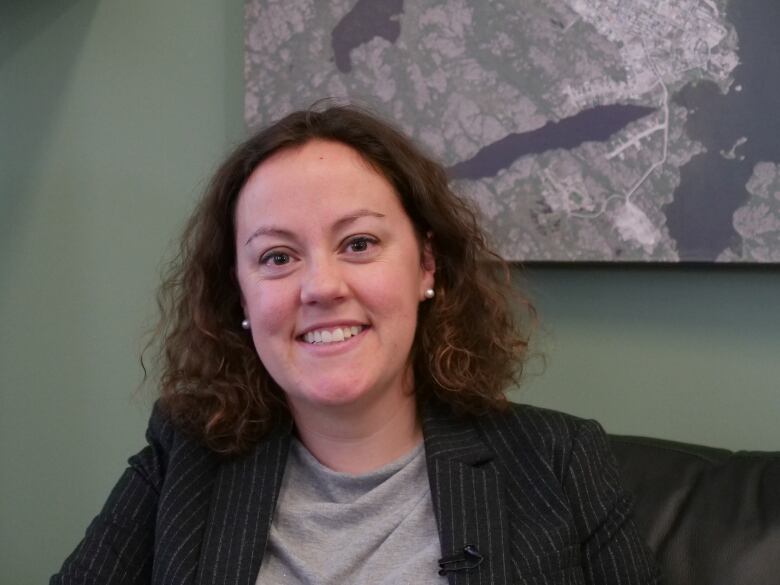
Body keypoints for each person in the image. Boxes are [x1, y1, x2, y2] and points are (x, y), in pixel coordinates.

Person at [52, 104, 661, 584]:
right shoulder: (183, 461)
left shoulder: (561, 459)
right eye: (277, 256)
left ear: (425, 264)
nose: (321, 286)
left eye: (359, 244)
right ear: (239, 296)